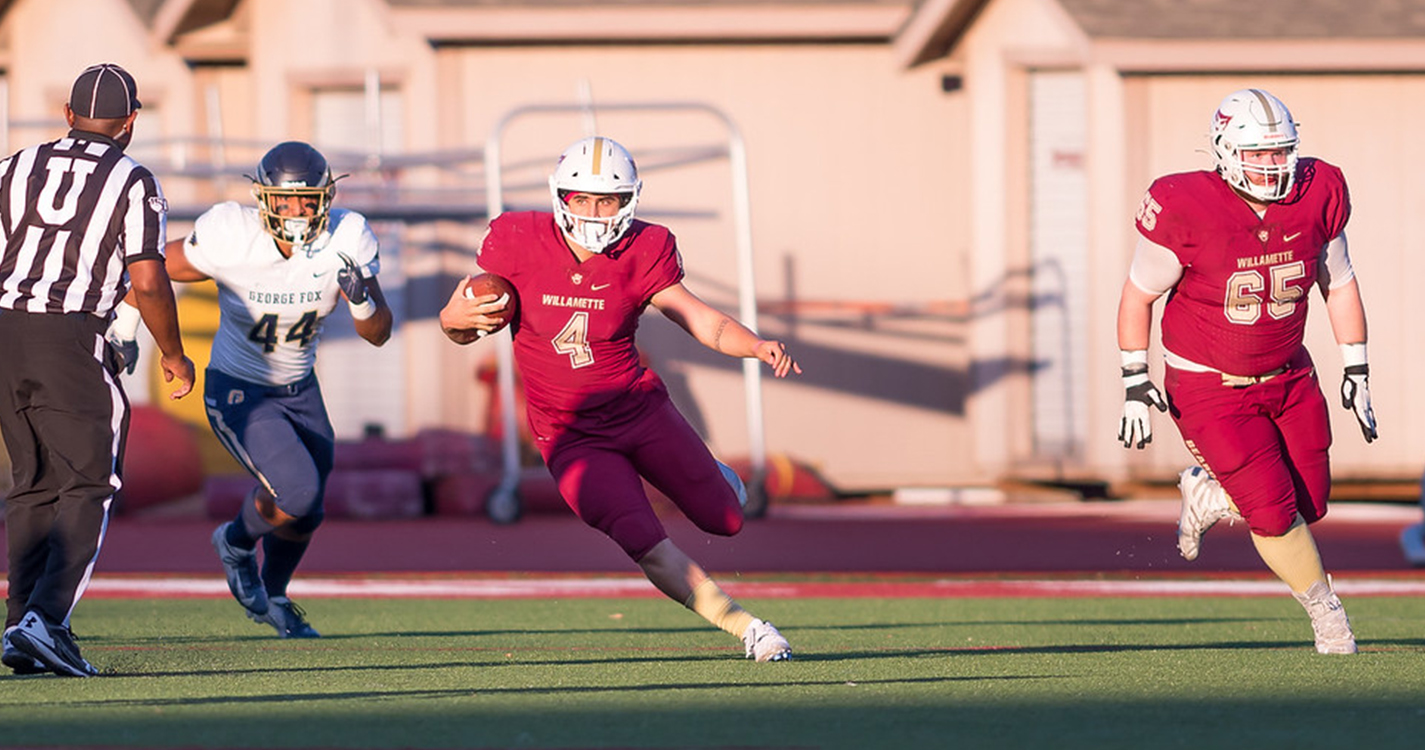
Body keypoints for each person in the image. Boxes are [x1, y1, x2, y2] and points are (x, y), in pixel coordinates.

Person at [440, 136, 800, 661]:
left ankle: (714, 475)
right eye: (580, 198)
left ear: (628, 200)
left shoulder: (643, 247)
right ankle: (748, 627)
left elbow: (696, 316)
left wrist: (755, 346)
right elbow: (455, 324)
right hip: (570, 435)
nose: (592, 211)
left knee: (726, 519)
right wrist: (455, 319)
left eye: (605, 200)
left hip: (638, 410)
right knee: (642, 539)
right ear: (559, 196)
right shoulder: (516, 240)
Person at [1115, 89, 1376, 655]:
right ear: (1226, 151)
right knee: (1274, 513)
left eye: (1280, 151)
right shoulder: (1185, 205)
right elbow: (1137, 298)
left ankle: (1211, 495)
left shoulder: (1319, 192)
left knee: (1311, 503)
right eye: (1257, 154)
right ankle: (1326, 614)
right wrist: (1134, 381)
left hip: (1289, 375)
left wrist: (1357, 365)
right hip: (1210, 387)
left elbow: (1341, 281)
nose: (1272, 165)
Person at [106, 141, 392, 638]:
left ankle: (275, 595)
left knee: (309, 510)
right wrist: (125, 331)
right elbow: (148, 269)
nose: (297, 211)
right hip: (240, 390)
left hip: (300, 388)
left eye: (308, 200)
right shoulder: (231, 237)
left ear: (325, 198)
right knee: (298, 491)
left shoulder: (347, 236)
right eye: (285, 200)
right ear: (263, 200)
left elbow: (379, 333)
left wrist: (362, 299)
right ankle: (236, 542)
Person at [0, 64, 195, 677]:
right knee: (92, 483)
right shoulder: (131, 178)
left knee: (32, 483)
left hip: (4, 330)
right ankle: (48, 621)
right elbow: (147, 277)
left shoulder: (16, 165)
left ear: (67, 113)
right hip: (68, 333)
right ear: (131, 121)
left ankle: (18, 626)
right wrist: (172, 351)